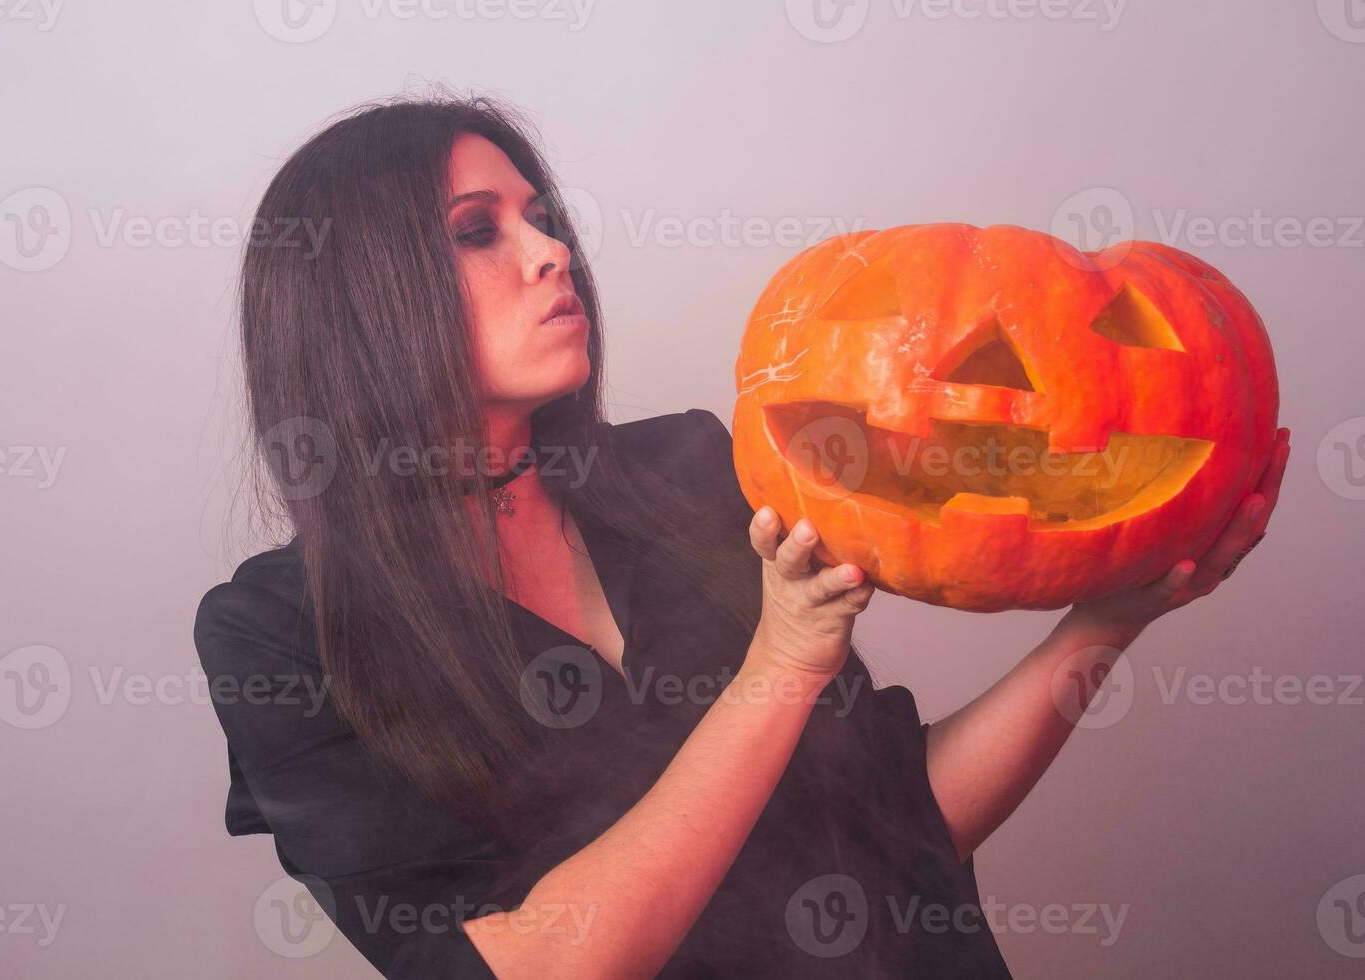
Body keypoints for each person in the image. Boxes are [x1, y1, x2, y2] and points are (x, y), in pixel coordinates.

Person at [193, 92, 1290, 978]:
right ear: (357, 297)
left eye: (545, 217)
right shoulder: (280, 636)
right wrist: (779, 663)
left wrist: (1101, 622)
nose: (550, 253)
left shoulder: (688, 469)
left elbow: (905, 831)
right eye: (479, 231)